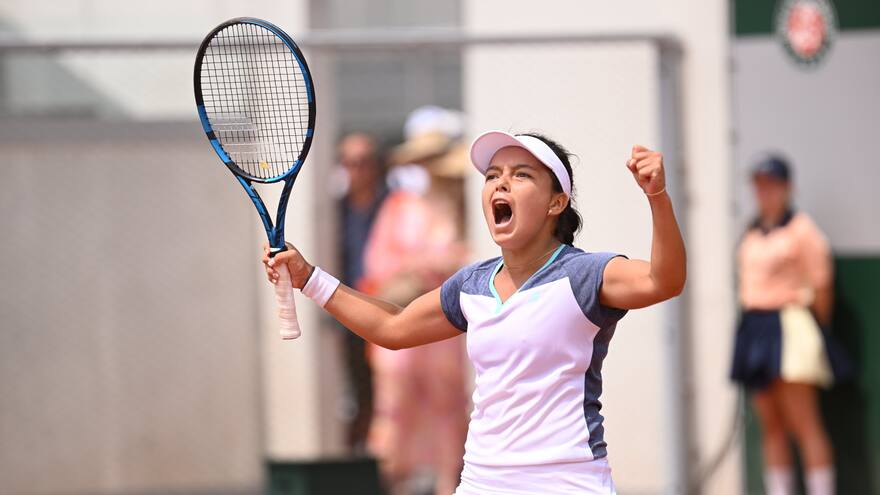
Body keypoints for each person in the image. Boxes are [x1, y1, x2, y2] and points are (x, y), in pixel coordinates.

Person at [264, 130, 686, 494]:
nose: (501, 184)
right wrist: (307, 277)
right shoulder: (471, 286)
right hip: (483, 481)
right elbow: (391, 327)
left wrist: (657, 196)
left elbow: (662, 281)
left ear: (557, 202)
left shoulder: (585, 274)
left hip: (567, 480)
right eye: (492, 176)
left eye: (521, 175)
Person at [360, 124, 471, 495]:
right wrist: (417, 269)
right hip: (404, 319)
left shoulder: (461, 209)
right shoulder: (398, 207)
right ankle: (394, 481)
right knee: (394, 407)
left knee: (447, 407)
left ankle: (446, 484)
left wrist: (434, 267)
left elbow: (469, 259)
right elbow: (377, 263)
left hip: (443, 325)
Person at [730, 155, 847, 495]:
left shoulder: (803, 230)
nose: (765, 191)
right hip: (755, 328)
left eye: (772, 183)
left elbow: (822, 285)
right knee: (772, 423)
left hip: (791, 326)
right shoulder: (752, 231)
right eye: (759, 184)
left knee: (805, 422)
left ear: (787, 187)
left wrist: (815, 329)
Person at [336, 132, 388, 452]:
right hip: (346, 314)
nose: (358, 171)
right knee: (356, 392)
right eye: (350, 163)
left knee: (385, 394)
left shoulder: (392, 205)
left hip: (387, 310)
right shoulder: (334, 211)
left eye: (365, 162)